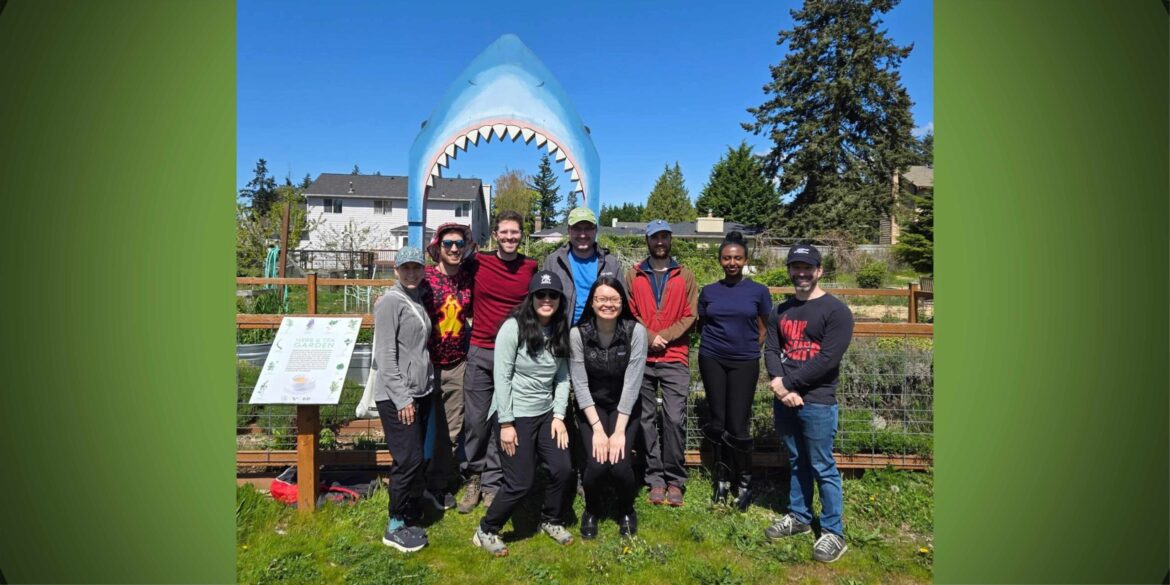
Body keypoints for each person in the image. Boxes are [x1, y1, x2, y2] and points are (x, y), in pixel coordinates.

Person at [473, 270, 575, 557]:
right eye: (540, 294)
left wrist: (558, 416)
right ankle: (487, 528)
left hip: (545, 414)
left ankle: (551, 519)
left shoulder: (559, 329)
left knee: (562, 469)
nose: (546, 300)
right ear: (531, 298)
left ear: (559, 300)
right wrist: (506, 423)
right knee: (520, 482)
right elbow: (501, 377)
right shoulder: (512, 327)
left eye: (552, 295)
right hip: (514, 413)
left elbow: (563, 378)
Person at [763, 243, 854, 563]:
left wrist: (788, 383)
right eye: (795, 267)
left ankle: (833, 532)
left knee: (822, 466)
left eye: (807, 267)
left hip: (817, 400)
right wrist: (780, 385)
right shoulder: (781, 310)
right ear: (789, 270)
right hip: (785, 398)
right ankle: (799, 517)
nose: (800, 273)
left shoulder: (836, 311)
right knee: (796, 460)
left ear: (819, 271)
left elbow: (828, 359)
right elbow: (771, 350)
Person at [459, 210, 538, 513]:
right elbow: (447, 262)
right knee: (477, 422)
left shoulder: (530, 267)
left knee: (502, 420)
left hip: (515, 356)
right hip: (480, 350)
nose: (509, 238)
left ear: (521, 235)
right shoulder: (479, 262)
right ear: (494, 235)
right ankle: (473, 477)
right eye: (504, 232)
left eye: (514, 233)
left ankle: (493, 482)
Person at [697, 231, 772, 511]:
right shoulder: (709, 291)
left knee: (738, 424)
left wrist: (750, 346)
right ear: (720, 260)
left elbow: (765, 326)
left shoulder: (758, 291)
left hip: (745, 361)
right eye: (727, 257)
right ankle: (721, 479)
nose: (732, 262)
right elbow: (703, 324)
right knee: (718, 422)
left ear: (745, 260)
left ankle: (744, 482)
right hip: (712, 358)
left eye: (737, 258)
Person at [625, 219, 699, 507]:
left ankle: (675, 479)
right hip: (642, 356)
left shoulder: (685, 276)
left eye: (664, 237)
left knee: (674, 419)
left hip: (674, 356)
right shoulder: (634, 275)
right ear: (647, 241)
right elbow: (629, 312)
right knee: (644, 420)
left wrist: (664, 337)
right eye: (654, 238)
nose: (659, 243)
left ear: (670, 240)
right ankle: (654, 477)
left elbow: (691, 314)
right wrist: (649, 335)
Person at [569, 277, 647, 538]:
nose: (607, 304)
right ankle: (592, 509)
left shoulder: (635, 332)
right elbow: (579, 385)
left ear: (622, 302)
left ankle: (626, 509)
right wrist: (599, 431)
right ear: (592, 303)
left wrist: (619, 432)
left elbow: (633, 383)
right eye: (601, 299)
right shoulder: (577, 334)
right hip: (591, 406)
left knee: (620, 465)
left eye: (613, 299)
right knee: (597, 464)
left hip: (624, 406)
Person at [372, 246, 435, 553]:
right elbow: (385, 355)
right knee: (408, 458)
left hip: (419, 391)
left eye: (417, 267)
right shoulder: (388, 303)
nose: (412, 273)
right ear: (395, 270)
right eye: (405, 268)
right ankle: (395, 523)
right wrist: (402, 399)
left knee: (415, 456)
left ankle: (409, 508)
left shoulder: (416, 299)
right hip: (398, 396)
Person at [419, 222, 477, 511]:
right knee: (420, 426)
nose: (454, 248)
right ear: (438, 247)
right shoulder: (425, 278)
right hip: (425, 364)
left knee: (451, 429)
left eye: (459, 244)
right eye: (448, 244)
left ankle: (439, 483)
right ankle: (414, 480)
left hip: (456, 364)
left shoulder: (468, 278)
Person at [542, 206, 624, 326]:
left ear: (596, 230)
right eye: (577, 229)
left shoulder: (611, 264)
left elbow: (623, 302)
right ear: (569, 230)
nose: (583, 234)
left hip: (600, 335)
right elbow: (542, 300)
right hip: (562, 335)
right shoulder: (554, 262)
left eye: (588, 229)